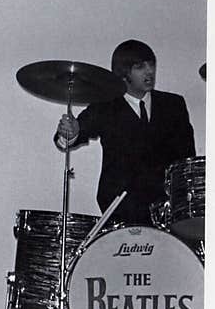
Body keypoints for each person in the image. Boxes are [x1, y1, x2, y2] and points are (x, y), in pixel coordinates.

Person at [55, 39, 196, 226]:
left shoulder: (174, 104)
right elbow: (70, 137)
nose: (150, 71)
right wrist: (70, 132)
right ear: (123, 73)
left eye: (151, 64)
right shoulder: (105, 106)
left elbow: (187, 159)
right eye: (140, 66)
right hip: (121, 210)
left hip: (168, 211)